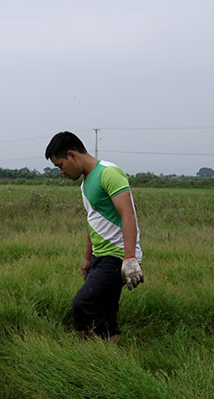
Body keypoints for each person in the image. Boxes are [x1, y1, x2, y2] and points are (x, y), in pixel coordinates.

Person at [44, 131, 144, 344]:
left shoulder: (109, 173)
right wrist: (87, 259)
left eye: (60, 165)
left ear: (72, 155)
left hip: (117, 255)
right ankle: (108, 354)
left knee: (82, 304)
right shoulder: (85, 184)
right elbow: (94, 222)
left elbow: (128, 214)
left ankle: (82, 349)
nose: (61, 172)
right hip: (101, 256)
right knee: (106, 312)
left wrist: (129, 259)